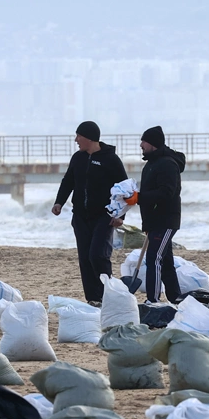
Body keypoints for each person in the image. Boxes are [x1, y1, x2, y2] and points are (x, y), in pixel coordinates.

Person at [52, 121, 128, 304]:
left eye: (79, 136)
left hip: (104, 217)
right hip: (80, 216)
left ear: (89, 138)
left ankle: (107, 295)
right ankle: (93, 299)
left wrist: (120, 216)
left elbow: (124, 189)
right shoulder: (78, 158)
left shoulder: (110, 159)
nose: (76, 140)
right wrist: (59, 202)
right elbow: (68, 181)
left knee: (97, 255)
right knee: (85, 259)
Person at [137, 126, 186, 304]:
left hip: (166, 220)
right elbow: (149, 193)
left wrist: (140, 197)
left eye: (144, 141)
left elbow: (167, 193)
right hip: (154, 221)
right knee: (165, 261)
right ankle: (176, 298)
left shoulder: (168, 164)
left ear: (154, 144)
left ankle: (153, 300)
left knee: (154, 258)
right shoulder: (150, 165)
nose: (141, 144)